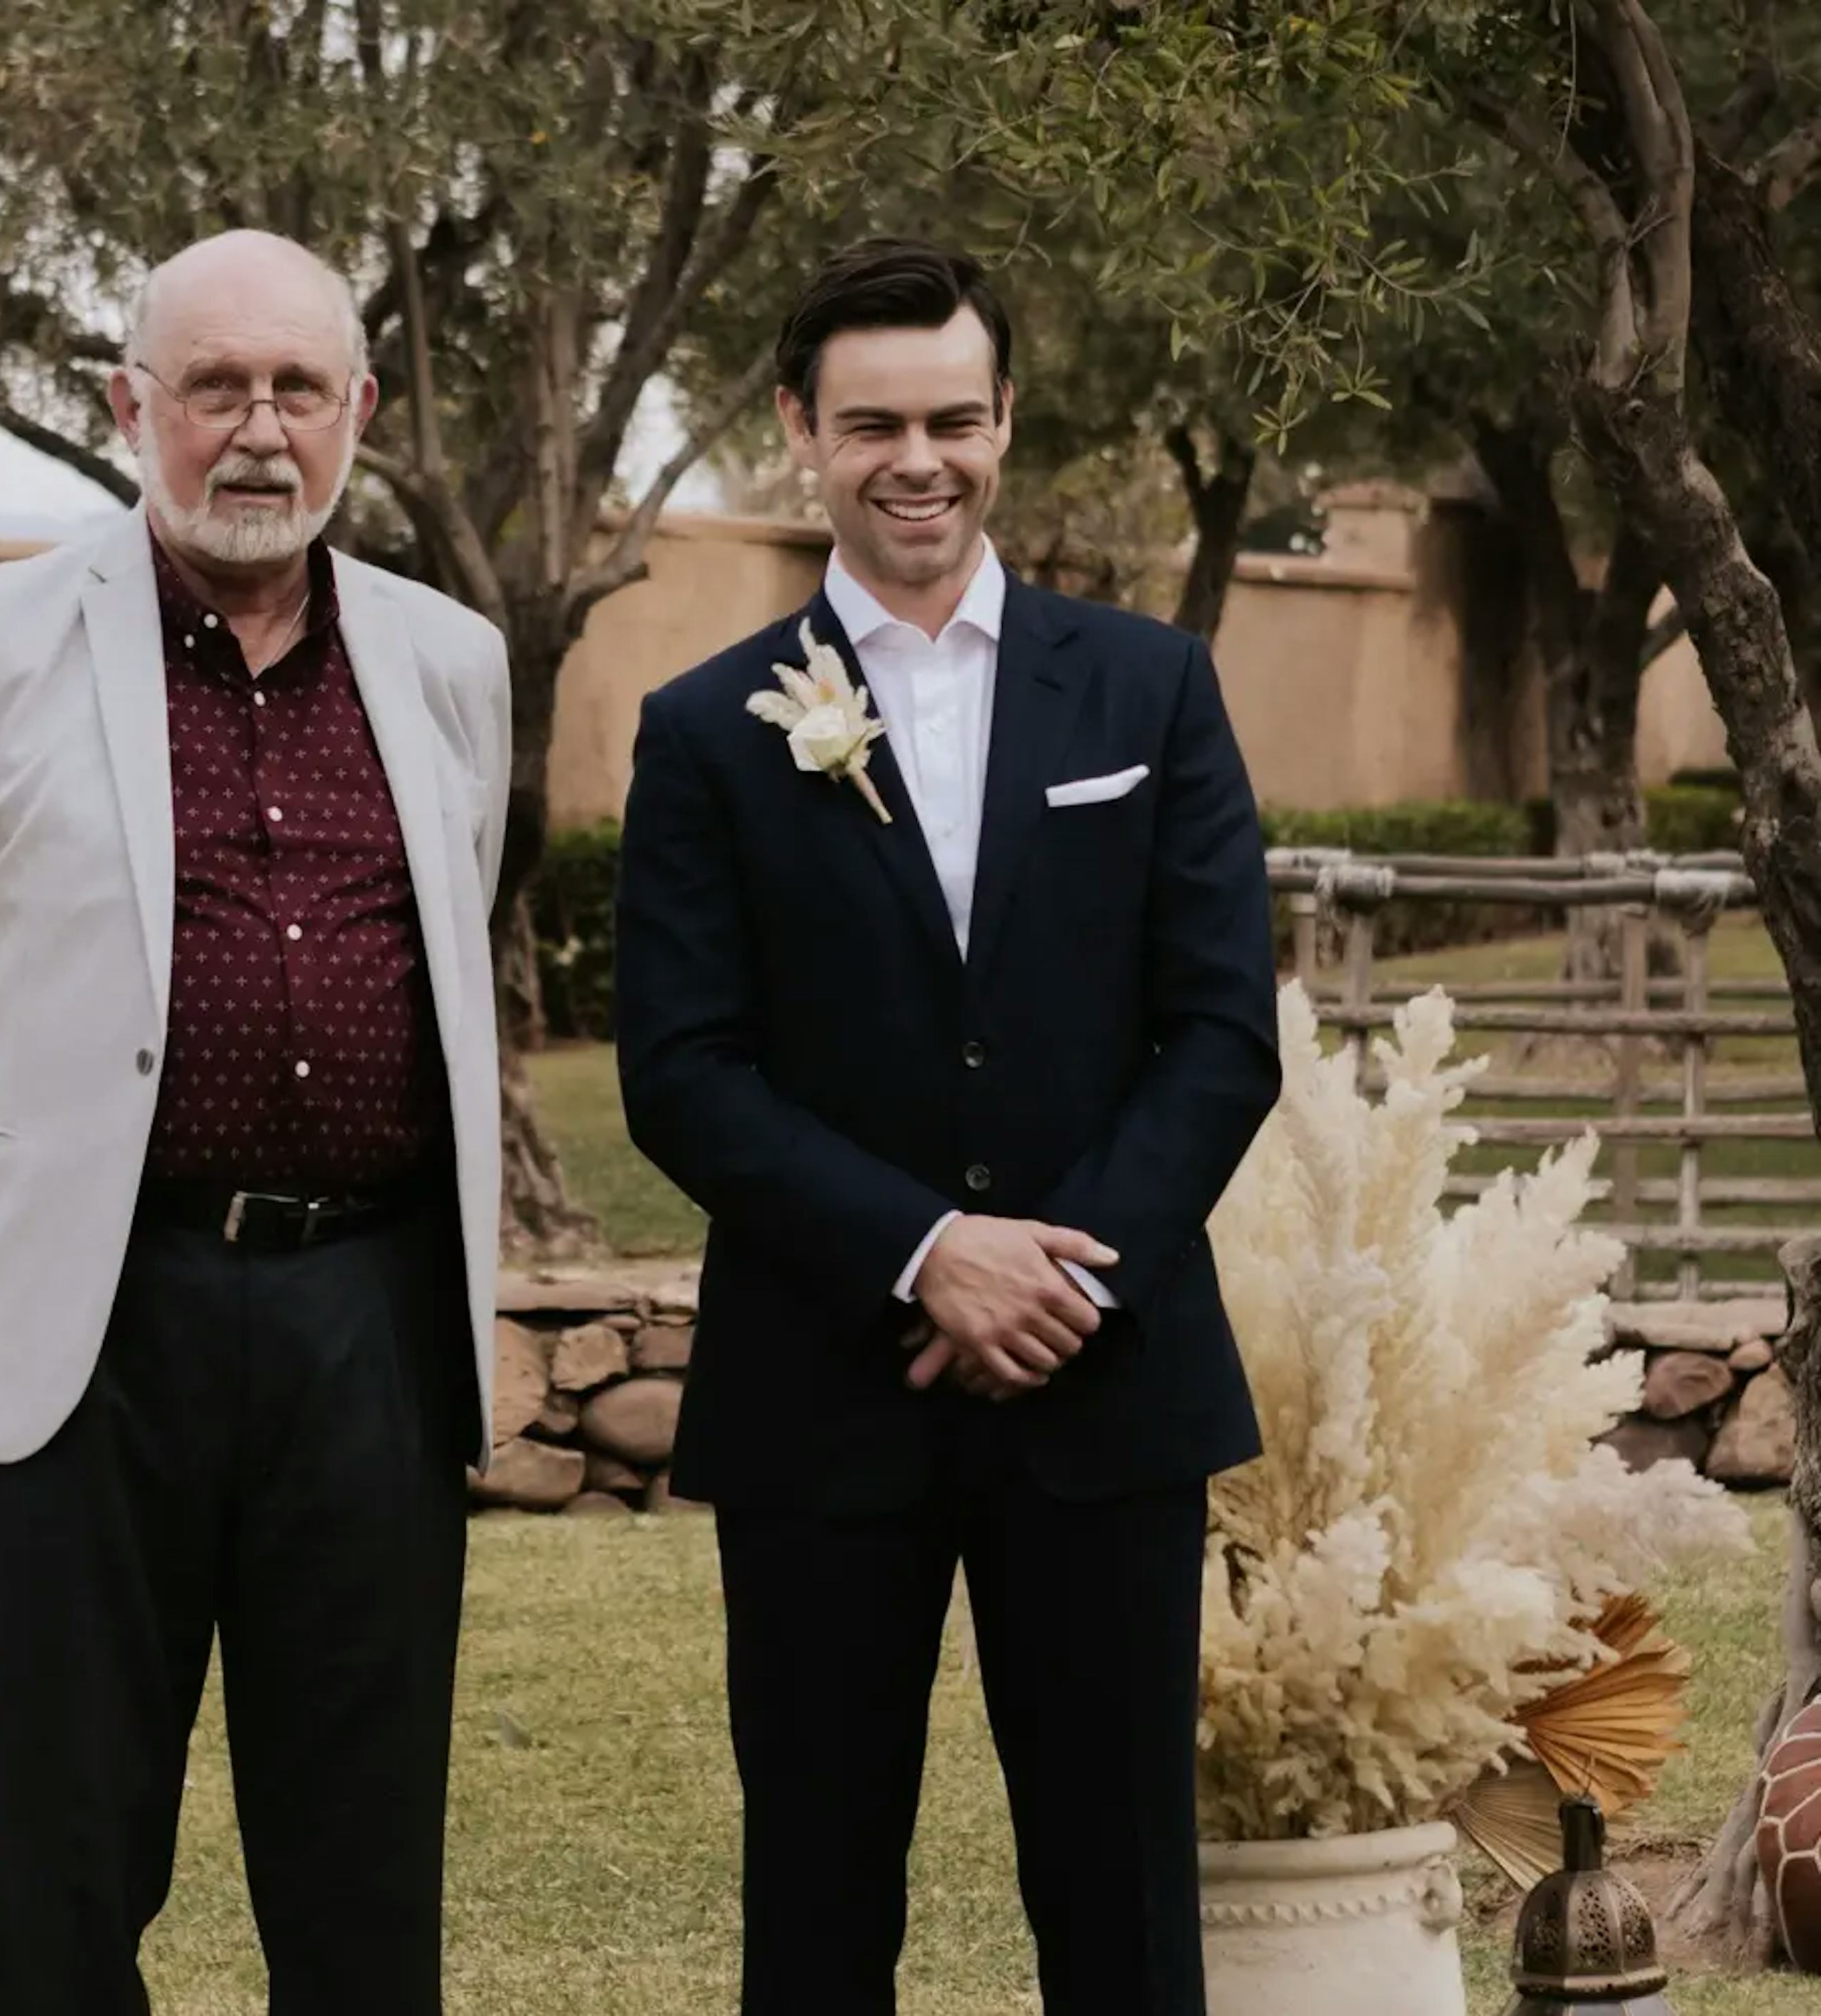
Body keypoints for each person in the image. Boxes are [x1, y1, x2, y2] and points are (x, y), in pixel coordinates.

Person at [0, 228, 511, 2016]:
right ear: (135, 406)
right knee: (62, 1868)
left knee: (363, 1874)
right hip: (89, 1336)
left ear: (362, 411)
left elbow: (452, 956)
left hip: (371, 1330)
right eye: (216, 385)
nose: (258, 429)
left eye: (297, 388)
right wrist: (26, 1238)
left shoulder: (448, 665)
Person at [613, 237, 1280, 2015]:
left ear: (1005, 424)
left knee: (1124, 1902)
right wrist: (926, 1259)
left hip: (1106, 1380)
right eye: (873, 424)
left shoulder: (1151, 689)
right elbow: (681, 1069)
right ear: (799, 433)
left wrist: (1055, 1277)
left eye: (954, 420)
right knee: (821, 1901)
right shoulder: (703, 730)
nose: (919, 459)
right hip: (829, 1393)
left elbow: (1221, 1032)